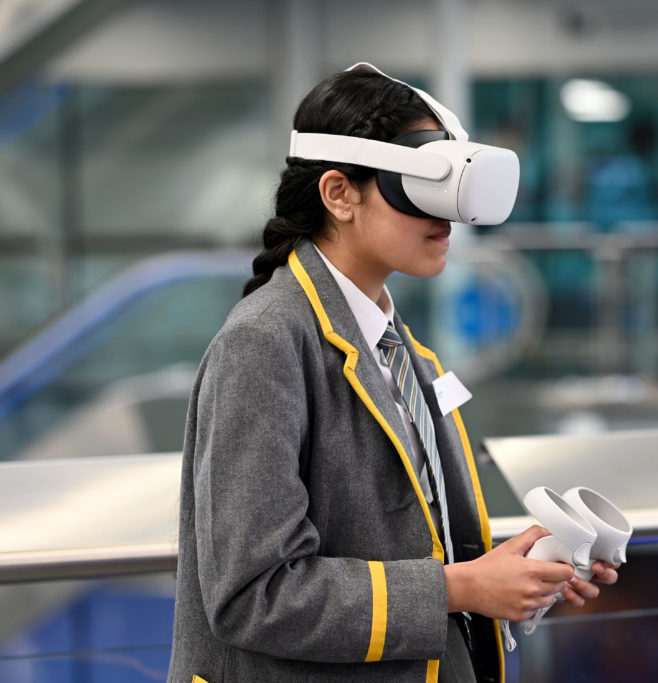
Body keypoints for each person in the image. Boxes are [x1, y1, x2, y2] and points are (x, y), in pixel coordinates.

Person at [168, 64, 619, 682]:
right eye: (419, 184)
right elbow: (254, 595)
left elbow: (409, 543)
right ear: (339, 194)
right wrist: (460, 588)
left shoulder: (400, 348)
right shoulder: (265, 342)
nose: (447, 218)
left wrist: (517, 569)